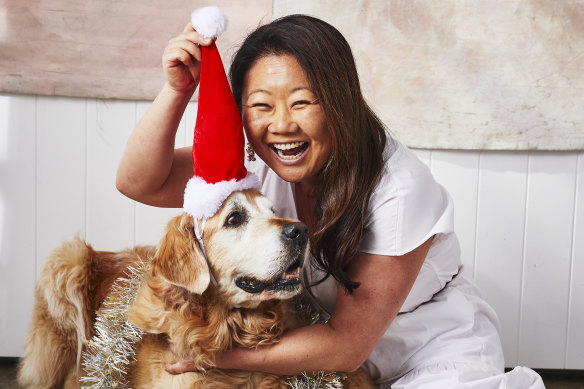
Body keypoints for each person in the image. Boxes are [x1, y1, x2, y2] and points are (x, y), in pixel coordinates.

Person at [116, 13, 545, 389]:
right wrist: (177, 90)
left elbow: (346, 346)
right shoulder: (257, 161)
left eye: (302, 102)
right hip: (312, 346)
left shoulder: (398, 188)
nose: (282, 125)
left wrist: (212, 356)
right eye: (261, 105)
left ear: (340, 103)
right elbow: (139, 182)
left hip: (426, 352)